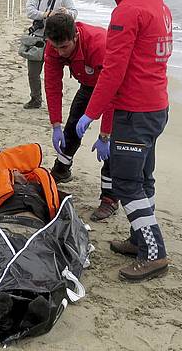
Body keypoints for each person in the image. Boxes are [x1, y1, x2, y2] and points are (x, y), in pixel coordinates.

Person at [76, 0, 172, 281]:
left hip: (134, 110)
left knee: (126, 183)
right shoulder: (159, 6)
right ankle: (138, 238)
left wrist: (91, 113)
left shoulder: (128, 10)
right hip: (157, 106)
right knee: (144, 178)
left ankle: (154, 252)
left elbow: (113, 72)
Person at [43, 11, 119, 221]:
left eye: (64, 47)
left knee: (114, 144)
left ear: (75, 35)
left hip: (117, 88)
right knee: (71, 127)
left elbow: (111, 92)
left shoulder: (98, 44)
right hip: (88, 83)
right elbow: (52, 85)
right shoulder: (53, 48)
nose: (59, 53)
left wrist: (105, 135)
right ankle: (61, 170)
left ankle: (110, 198)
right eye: (55, 46)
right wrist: (55, 123)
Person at [23, 0, 77, 109]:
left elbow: (74, 12)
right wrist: (46, 15)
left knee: (53, 74)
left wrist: (66, 13)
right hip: (37, 38)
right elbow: (29, 11)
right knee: (33, 72)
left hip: (56, 41)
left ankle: (54, 101)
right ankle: (35, 98)